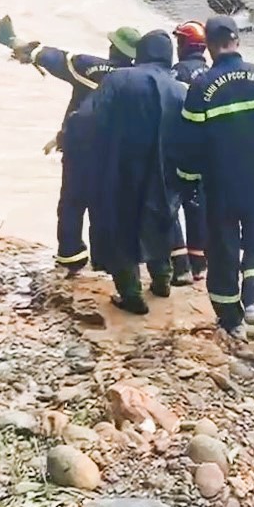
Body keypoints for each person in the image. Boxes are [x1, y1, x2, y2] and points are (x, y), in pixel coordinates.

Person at [0, 16, 192, 282]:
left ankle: (71, 256)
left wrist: (12, 41)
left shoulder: (91, 67)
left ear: (113, 48)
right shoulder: (147, 82)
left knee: (73, 202)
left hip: (81, 147)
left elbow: (49, 56)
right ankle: (137, 264)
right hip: (120, 155)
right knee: (118, 207)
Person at [171, 15, 254, 337]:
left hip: (221, 185)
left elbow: (189, 144)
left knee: (223, 250)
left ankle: (231, 322)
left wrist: (187, 182)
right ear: (237, 41)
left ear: (209, 47)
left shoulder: (200, 87)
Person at [65, 30, 187, 315]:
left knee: (118, 228)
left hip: (118, 168)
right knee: (160, 220)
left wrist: (71, 140)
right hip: (163, 171)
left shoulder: (118, 79)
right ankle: (161, 281)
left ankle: (131, 294)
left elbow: (86, 119)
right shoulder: (179, 89)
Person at [171, 20, 211, 283]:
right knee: (200, 205)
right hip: (210, 152)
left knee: (173, 203)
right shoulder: (212, 73)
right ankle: (201, 264)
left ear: (184, 45)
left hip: (182, 148)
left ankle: (180, 263)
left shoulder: (178, 73)